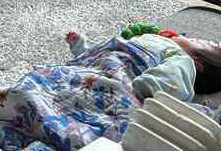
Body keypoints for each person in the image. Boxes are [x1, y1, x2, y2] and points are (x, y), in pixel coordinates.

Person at [66, 30, 221, 101]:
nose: (197, 38)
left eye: (202, 42)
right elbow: (105, 53)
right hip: (97, 62)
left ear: (196, 64)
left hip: (115, 73)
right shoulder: (160, 42)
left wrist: (148, 87)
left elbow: (171, 86)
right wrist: (82, 47)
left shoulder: (182, 59)